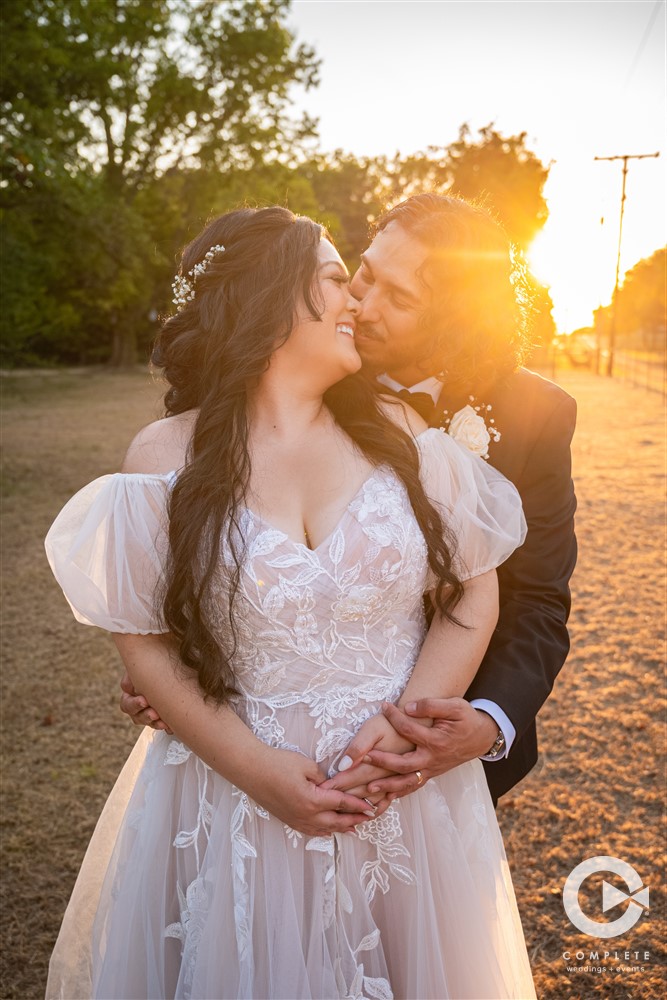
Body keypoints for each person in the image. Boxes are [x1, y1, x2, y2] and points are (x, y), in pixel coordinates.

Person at [45, 206, 533, 999]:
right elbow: (144, 643)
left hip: (396, 796)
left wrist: (406, 722)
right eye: (339, 279)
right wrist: (258, 771)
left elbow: (472, 596)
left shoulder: (402, 432)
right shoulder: (164, 456)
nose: (357, 305)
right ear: (271, 298)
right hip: (229, 793)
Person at [123, 194, 578, 808]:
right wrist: (172, 673)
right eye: (363, 273)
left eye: (401, 297)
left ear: (454, 321)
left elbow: (536, 597)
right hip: (256, 753)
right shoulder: (307, 366)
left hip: (430, 740)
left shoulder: (534, 416)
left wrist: (487, 719)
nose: (362, 303)